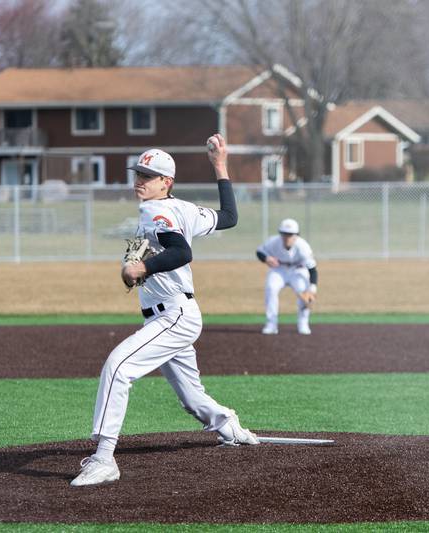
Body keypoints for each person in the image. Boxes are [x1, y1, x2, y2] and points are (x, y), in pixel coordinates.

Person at [71, 134, 259, 488]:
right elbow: (230, 217)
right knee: (191, 397)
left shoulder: (157, 210)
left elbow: (180, 252)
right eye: (138, 173)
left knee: (117, 367)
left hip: (172, 315)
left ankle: (104, 458)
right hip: (175, 313)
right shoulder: (182, 208)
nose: (139, 180)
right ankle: (227, 424)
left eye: (148, 176)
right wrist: (220, 166)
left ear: (166, 182)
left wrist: (142, 269)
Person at [256, 219, 318, 335]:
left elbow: (312, 269)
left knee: (304, 292)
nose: (287, 237)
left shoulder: (303, 247)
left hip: (298, 270)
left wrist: (313, 288)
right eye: (284, 234)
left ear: (296, 236)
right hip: (279, 269)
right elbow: (259, 251)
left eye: (290, 234)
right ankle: (271, 324)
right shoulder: (273, 241)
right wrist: (266, 258)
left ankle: (303, 324)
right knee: (271, 288)